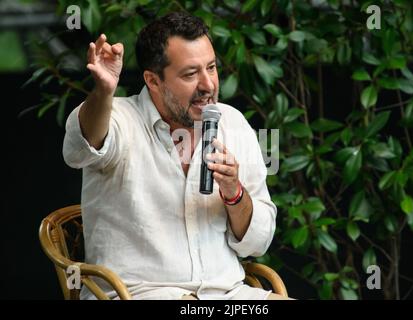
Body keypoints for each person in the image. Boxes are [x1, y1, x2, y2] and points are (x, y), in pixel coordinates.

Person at [63, 11, 286, 300]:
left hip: (229, 296)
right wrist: (103, 92)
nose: (208, 85)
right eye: (191, 74)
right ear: (153, 81)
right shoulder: (118, 118)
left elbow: (258, 243)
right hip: (139, 294)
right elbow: (80, 148)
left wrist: (234, 193)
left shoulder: (231, 122)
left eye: (211, 68)